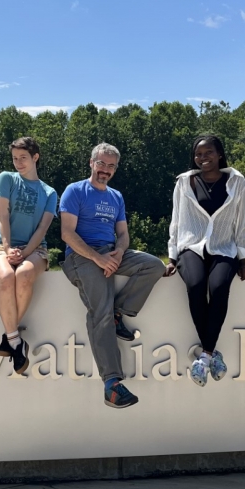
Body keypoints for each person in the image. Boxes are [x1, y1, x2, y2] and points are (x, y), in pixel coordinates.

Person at [60, 143, 165, 409]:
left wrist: (118, 252)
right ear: (91, 162)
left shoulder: (115, 197)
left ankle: (120, 312)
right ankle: (112, 385)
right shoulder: (75, 191)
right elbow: (67, 234)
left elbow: (124, 233)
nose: (105, 170)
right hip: (81, 257)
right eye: (101, 164)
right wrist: (98, 258)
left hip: (109, 253)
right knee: (100, 313)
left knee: (154, 266)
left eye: (111, 166)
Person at [164, 135, 245, 387]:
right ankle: (210, 354)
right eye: (198, 154)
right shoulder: (184, 182)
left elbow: (241, 222)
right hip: (191, 247)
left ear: (219, 154)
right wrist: (172, 257)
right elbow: (176, 221)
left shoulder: (237, 182)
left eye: (208, 153)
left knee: (218, 288)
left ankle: (204, 356)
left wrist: (244, 260)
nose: (203, 158)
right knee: (195, 285)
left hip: (224, 248)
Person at [0, 136, 57, 374]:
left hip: (35, 248)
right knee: (6, 277)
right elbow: (3, 217)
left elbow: (42, 229)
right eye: (15, 158)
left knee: (24, 273)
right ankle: (16, 341)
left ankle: (9, 337)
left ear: (35, 157)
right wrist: (7, 249)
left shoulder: (49, 192)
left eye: (23, 158)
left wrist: (25, 252)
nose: (18, 163)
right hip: (0, 244)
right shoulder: (6, 178)